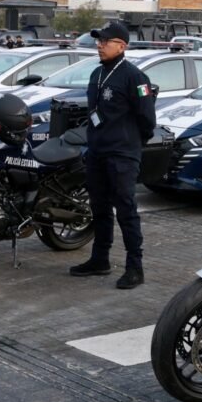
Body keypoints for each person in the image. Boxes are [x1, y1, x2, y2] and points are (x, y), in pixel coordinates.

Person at [69, 22, 156, 289]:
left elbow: (147, 119)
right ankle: (100, 259)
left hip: (122, 154)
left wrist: (131, 143)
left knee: (126, 210)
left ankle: (135, 267)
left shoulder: (135, 77)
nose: (99, 45)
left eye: (105, 41)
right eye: (98, 41)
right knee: (99, 208)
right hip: (97, 151)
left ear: (122, 46)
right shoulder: (97, 73)